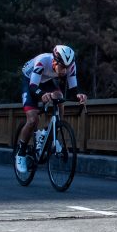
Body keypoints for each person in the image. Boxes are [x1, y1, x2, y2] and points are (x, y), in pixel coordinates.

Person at [15, 45, 87, 175]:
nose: (64, 71)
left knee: (59, 97)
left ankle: (48, 132)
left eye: (67, 67)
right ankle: (21, 152)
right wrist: (42, 94)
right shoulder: (42, 60)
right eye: (62, 67)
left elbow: (73, 89)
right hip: (30, 80)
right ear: (54, 61)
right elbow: (33, 87)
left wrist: (78, 96)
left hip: (46, 79)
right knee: (32, 120)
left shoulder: (70, 65)